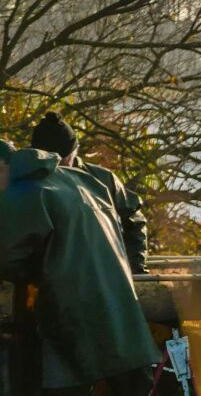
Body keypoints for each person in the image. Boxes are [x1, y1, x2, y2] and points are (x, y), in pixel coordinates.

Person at [0, 146, 159, 396]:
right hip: (122, 305)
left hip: (72, 310)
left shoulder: (25, 192)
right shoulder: (83, 180)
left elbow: (9, 257)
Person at [30, 111, 149, 274]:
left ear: (74, 151)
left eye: (63, 159)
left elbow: (134, 220)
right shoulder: (26, 183)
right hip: (48, 279)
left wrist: (134, 267)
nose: (59, 165)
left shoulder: (104, 180)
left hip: (101, 274)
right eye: (52, 159)